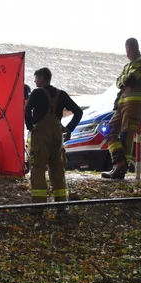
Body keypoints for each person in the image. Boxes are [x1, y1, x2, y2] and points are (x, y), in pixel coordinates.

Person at [25, 67, 82, 202]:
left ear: (42, 78)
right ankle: (61, 203)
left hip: (40, 134)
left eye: (36, 78)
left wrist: (30, 127)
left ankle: (39, 204)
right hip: (57, 133)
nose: (35, 81)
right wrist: (68, 129)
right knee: (57, 167)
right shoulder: (61, 94)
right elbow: (78, 112)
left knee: (38, 166)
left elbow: (26, 112)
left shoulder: (36, 93)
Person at [103, 37, 141, 180]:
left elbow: (131, 80)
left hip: (134, 103)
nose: (127, 52)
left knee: (126, 134)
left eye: (128, 49)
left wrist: (124, 80)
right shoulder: (128, 66)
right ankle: (119, 162)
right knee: (109, 130)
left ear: (131, 48)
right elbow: (118, 82)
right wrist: (124, 80)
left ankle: (120, 169)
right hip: (122, 103)